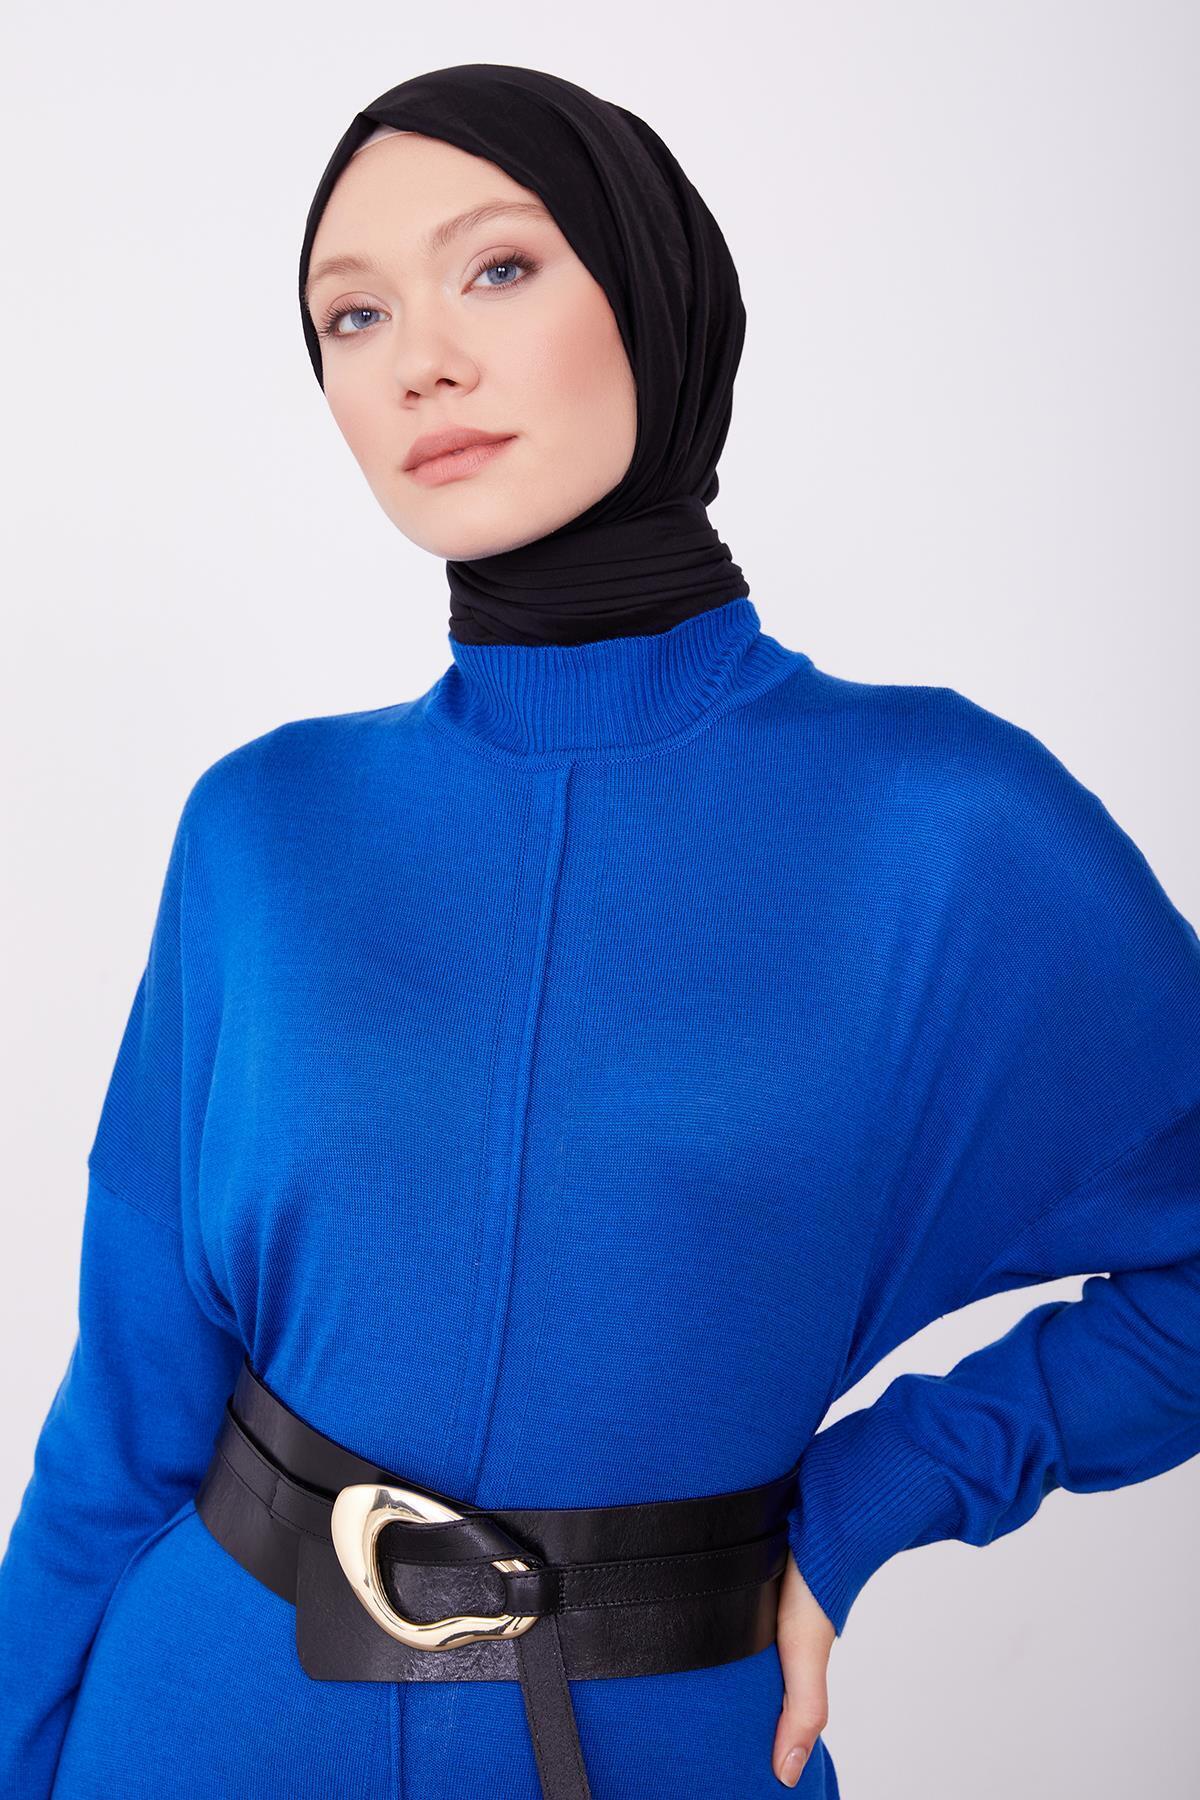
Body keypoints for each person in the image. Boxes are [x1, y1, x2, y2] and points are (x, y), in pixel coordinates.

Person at [2, 61, 1199, 1800]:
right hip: (193, 1723)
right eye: (352, 314)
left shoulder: (941, 821)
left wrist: (878, 1496)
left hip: (667, 1740)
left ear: (651, 292)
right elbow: (122, 1421)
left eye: (497, 268)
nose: (417, 360)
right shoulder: (262, 825)